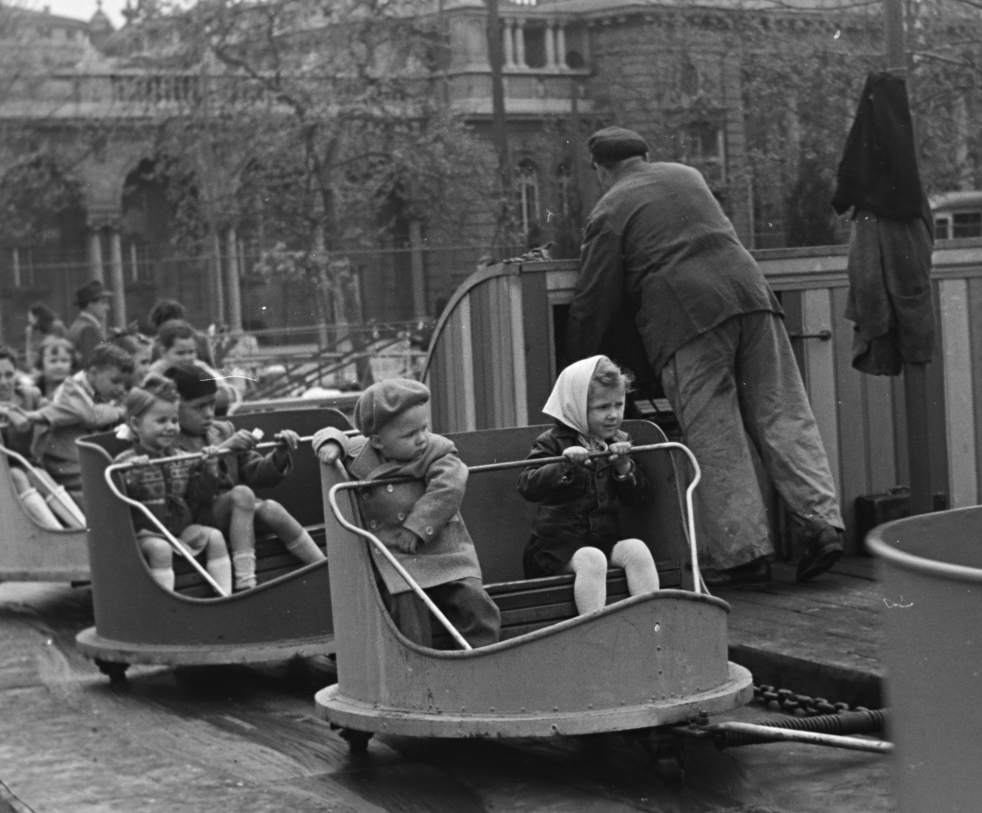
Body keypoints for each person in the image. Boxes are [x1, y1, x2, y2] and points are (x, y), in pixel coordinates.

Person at [566, 126, 844, 586]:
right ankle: (821, 525)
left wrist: (579, 370)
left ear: (601, 170)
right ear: (647, 156)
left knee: (717, 436)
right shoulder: (687, 175)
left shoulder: (609, 208)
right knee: (784, 414)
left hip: (686, 318)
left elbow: (592, 301)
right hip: (752, 297)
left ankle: (743, 556)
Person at [313, 378, 500, 648]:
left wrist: (417, 526)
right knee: (403, 604)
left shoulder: (437, 451)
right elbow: (333, 434)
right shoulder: (360, 456)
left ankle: (483, 653)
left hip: (444, 550)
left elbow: (448, 487)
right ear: (377, 441)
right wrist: (330, 443)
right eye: (409, 434)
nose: (422, 438)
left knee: (473, 601)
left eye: (424, 428)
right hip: (397, 557)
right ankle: (415, 660)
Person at [518, 356, 658, 615]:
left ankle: (652, 626)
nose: (613, 415)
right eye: (602, 407)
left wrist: (624, 467)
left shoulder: (621, 441)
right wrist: (564, 465)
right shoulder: (553, 442)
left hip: (602, 540)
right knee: (592, 559)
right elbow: (527, 485)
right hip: (555, 548)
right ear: (577, 407)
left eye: (619, 404)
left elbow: (638, 498)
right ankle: (596, 632)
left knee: (636, 550)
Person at [165, 364, 324, 591]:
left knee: (271, 508)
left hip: (238, 513)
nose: (209, 413)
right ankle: (246, 583)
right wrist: (223, 450)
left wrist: (279, 455)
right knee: (242, 494)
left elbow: (257, 473)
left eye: (211, 404)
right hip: (198, 516)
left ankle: (323, 567)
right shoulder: (170, 440)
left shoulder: (223, 429)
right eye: (199, 407)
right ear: (174, 407)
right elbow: (189, 486)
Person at [112, 376, 231, 595]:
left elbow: (199, 495)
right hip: (145, 534)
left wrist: (210, 468)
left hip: (179, 529)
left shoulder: (182, 457)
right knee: (160, 549)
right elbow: (116, 502)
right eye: (161, 421)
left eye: (174, 421)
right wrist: (133, 475)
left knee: (214, 537)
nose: (170, 427)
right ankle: (164, 603)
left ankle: (224, 595)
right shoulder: (125, 461)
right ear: (136, 425)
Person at [32, 343, 133, 489]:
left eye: (125, 384)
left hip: (85, 458)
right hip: (63, 461)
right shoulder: (71, 388)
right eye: (115, 382)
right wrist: (117, 411)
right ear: (93, 373)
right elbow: (92, 417)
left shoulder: (101, 389)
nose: (120, 389)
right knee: (109, 483)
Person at [148, 320, 240, 409]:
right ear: (163, 351)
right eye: (180, 353)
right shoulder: (155, 373)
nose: (187, 358)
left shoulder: (199, 367)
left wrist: (195, 399)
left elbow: (227, 395)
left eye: (191, 352)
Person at [66, 280, 112, 360]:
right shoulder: (88, 330)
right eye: (103, 303)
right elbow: (93, 365)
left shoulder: (79, 325)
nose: (108, 307)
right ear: (90, 305)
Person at [35, 335, 78, 400]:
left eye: (64, 361)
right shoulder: (33, 391)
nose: (59, 366)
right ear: (41, 364)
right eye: (53, 361)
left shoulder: (79, 390)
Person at [25, 304, 67, 368]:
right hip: (40, 365)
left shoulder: (57, 326)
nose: (29, 320)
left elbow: (67, 342)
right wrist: (32, 366)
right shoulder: (31, 330)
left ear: (37, 317)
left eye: (31, 317)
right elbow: (30, 350)